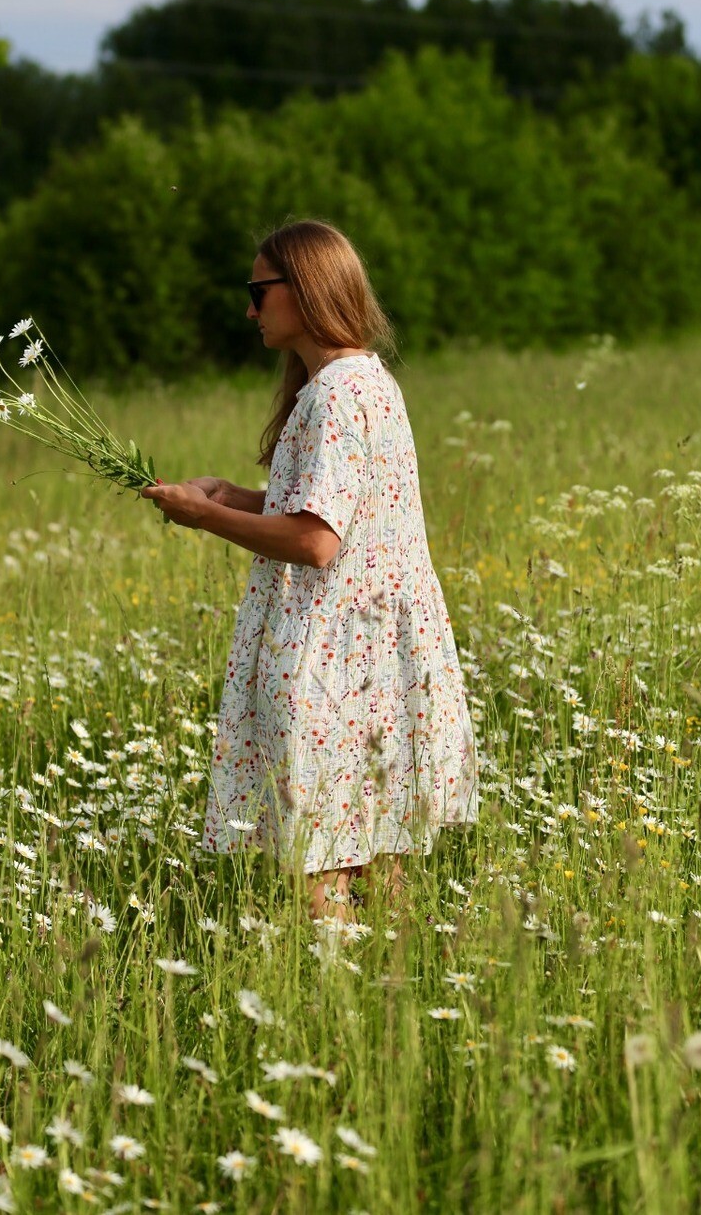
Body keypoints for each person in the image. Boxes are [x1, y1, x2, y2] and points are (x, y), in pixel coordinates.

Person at [142, 220, 479, 920]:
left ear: (305, 289)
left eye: (257, 291)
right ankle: (391, 998)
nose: (249, 309)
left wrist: (203, 517)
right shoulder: (365, 381)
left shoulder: (331, 397)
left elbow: (317, 540)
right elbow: (343, 510)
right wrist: (234, 496)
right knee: (375, 853)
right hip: (376, 653)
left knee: (321, 861)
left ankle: (337, 1003)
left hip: (333, 656)